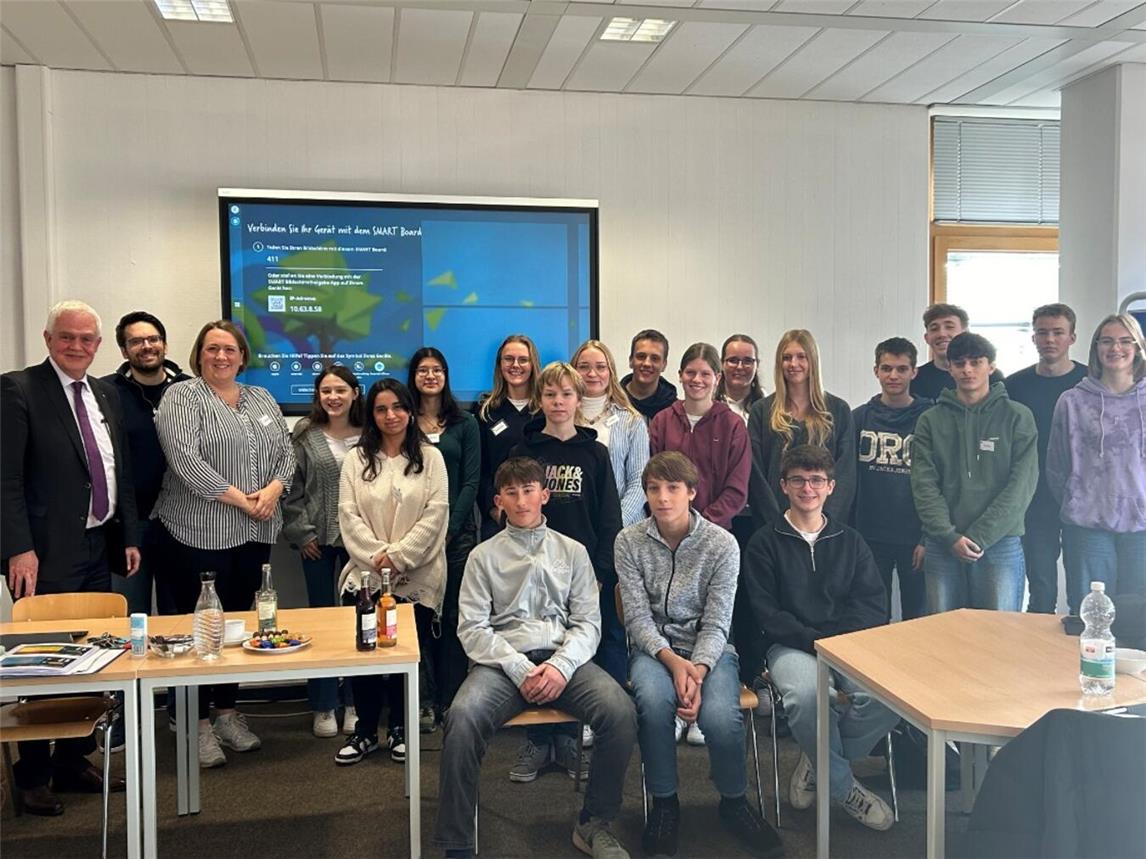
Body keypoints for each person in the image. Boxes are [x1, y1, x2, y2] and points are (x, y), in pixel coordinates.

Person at [432, 456, 637, 859]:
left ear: (545, 495)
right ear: (498, 501)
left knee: (621, 712)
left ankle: (593, 824)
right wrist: (519, 667)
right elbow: (472, 628)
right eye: (512, 492)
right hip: (503, 665)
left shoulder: (574, 552)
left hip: (565, 661)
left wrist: (560, 666)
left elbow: (588, 623)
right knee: (461, 718)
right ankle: (457, 844)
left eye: (529, 491)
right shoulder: (482, 556)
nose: (522, 500)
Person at [1, 300, 136, 815]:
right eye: (67, 337)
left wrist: (127, 532)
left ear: (99, 346)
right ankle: (33, 773)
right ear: (47, 338)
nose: (77, 346)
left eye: (87, 339)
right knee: (43, 664)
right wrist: (17, 546)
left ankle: (72, 761)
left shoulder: (104, 392)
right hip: (41, 553)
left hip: (96, 545)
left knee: (92, 656)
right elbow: (6, 477)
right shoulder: (18, 389)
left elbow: (113, 464)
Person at [615, 452, 783, 858]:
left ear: (692, 492)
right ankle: (664, 803)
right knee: (654, 705)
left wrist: (699, 669)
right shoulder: (629, 541)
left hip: (710, 650)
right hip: (654, 651)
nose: (662, 498)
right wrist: (673, 664)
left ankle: (734, 801)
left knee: (721, 718)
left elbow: (718, 620)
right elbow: (636, 618)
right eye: (654, 488)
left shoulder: (722, 544)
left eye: (673, 488)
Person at [153, 320, 294, 768]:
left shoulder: (261, 398)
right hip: (196, 534)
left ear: (242, 356)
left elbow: (286, 453)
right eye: (212, 349)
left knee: (237, 628)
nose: (221, 357)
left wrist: (272, 491)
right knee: (200, 631)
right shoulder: (181, 397)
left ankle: (228, 714)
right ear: (199, 354)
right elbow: (185, 461)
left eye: (229, 349)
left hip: (253, 535)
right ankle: (195, 727)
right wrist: (243, 500)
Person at [742, 445, 899, 832]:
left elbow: (872, 606)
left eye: (816, 480)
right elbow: (767, 613)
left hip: (848, 646)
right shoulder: (764, 542)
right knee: (809, 696)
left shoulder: (851, 541)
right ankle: (845, 788)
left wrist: (834, 640)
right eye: (798, 479)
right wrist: (814, 640)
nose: (807, 488)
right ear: (783, 486)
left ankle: (818, 760)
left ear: (830, 486)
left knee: (892, 698)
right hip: (789, 647)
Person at [508, 362, 624, 780]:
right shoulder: (524, 452)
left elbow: (609, 518)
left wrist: (600, 572)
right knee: (537, 652)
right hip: (532, 574)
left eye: (567, 395)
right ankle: (539, 743)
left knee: (575, 656)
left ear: (579, 400)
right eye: (551, 395)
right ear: (541, 400)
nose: (559, 402)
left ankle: (570, 739)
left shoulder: (595, 453)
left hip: (581, 574)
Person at [335, 379, 448, 767]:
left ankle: (401, 726)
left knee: (405, 654)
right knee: (365, 652)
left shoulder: (431, 458)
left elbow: (436, 514)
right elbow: (348, 516)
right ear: (372, 414)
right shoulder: (356, 459)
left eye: (398, 407)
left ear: (410, 410)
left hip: (415, 575)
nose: (390, 416)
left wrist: (399, 557)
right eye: (381, 409)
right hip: (366, 574)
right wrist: (378, 557)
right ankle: (366, 730)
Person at [911, 332, 1037, 614]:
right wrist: (948, 536)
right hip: (943, 544)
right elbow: (923, 484)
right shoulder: (930, 420)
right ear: (950, 368)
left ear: (990, 366)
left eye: (976, 362)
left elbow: (1022, 485)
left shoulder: (1017, 416)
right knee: (944, 638)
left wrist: (980, 536)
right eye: (960, 363)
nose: (967, 369)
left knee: (999, 638)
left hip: (1000, 543)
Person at [281, 365, 364, 738]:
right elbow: (290, 488)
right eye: (326, 391)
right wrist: (302, 533)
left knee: (360, 625)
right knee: (321, 623)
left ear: (355, 393)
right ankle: (324, 704)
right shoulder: (305, 433)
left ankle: (357, 703)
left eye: (340, 390)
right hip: (316, 543)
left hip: (361, 546)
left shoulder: (372, 434)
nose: (333, 397)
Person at [1047, 313, 1146, 612]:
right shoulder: (1072, 401)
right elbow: (1056, 466)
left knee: (1138, 621)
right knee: (1090, 617)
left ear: (1138, 347)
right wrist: (1078, 499)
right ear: (1096, 348)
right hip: (1088, 525)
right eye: (1107, 341)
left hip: (1142, 526)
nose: (1116, 348)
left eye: (1124, 341)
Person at [408, 346, 480, 729]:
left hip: (457, 538)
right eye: (422, 370)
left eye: (437, 369)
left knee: (452, 619)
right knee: (418, 619)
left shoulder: (464, 422)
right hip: (413, 537)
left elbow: (471, 481)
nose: (430, 376)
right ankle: (422, 700)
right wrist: (423, 536)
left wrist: (450, 529)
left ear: (446, 375)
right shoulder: (403, 422)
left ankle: (451, 699)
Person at [102, 310, 191, 617]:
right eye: (136, 341)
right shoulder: (104, 392)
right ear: (124, 350)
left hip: (182, 521)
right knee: (129, 615)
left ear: (164, 345)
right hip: (129, 524)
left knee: (179, 614)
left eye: (153, 339)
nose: (147, 346)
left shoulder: (191, 391)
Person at [1004, 304, 1087, 614]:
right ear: (1033, 337)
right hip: (1034, 496)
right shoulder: (1014, 386)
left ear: (1072, 337)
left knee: (1084, 583)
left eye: (1057, 332)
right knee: (1040, 585)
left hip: (1082, 496)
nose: (1049, 339)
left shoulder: (1090, 381)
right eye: (1042, 332)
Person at [852, 337, 933, 621]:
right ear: (876, 371)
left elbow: (941, 481)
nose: (893, 376)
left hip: (916, 537)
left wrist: (928, 536)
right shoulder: (858, 419)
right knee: (873, 616)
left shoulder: (930, 418)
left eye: (901, 369)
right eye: (886, 368)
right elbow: (848, 481)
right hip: (870, 537)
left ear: (914, 372)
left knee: (918, 617)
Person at [748, 329, 856, 532]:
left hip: (824, 527)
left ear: (813, 361)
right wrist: (775, 522)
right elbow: (755, 473)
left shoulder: (838, 410)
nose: (793, 364)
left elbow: (846, 472)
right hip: (773, 526)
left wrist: (823, 522)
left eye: (801, 357)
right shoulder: (761, 411)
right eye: (786, 357)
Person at [649, 342, 750, 532]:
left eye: (705, 374)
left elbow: (737, 489)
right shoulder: (661, 422)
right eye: (690, 372)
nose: (697, 379)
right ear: (680, 375)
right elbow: (650, 479)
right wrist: (673, 520)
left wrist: (701, 523)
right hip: (666, 530)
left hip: (715, 532)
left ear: (717, 378)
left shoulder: (733, 426)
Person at [572, 339, 650, 527]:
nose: (592, 374)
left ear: (611, 372)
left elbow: (640, 480)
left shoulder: (632, 421)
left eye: (600, 367)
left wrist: (616, 521)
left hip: (624, 526)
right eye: (584, 367)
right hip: (576, 524)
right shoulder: (561, 417)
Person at [474, 334, 540, 541]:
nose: (515, 365)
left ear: (533, 364)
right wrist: (493, 510)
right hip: (498, 517)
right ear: (499, 365)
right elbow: (480, 469)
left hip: (541, 515)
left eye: (523, 360)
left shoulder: (545, 410)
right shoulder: (486, 411)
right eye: (508, 359)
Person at [912, 303, 1003, 401]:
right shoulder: (914, 379)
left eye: (949, 327)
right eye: (934, 329)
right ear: (926, 338)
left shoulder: (990, 376)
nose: (942, 334)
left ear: (965, 333)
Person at [621, 329, 677, 423]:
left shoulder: (674, 411)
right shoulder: (613, 401)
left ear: (664, 365)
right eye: (641, 356)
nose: (647, 363)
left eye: (655, 358)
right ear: (631, 361)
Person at [716, 333, 765, 423]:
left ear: (757, 365)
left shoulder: (769, 407)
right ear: (721, 364)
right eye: (733, 360)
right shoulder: (707, 405)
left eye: (747, 361)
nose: (739, 367)